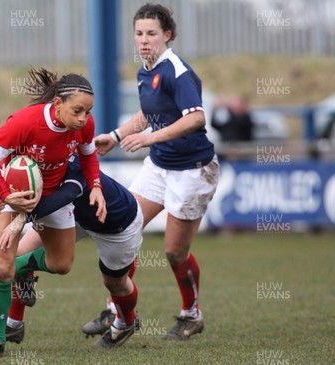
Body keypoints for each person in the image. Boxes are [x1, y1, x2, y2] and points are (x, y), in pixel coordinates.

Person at [95, 3, 219, 340]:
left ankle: (191, 315)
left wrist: (149, 139)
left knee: (174, 252)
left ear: (167, 35)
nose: (144, 40)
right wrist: (116, 136)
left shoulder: (177, 71)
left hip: (192, 170)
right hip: (160, 165)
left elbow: (196, 117)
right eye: (139, 34)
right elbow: (149, 113)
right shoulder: (145, 71)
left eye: (151, 33)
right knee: (127, 227)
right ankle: (117, 309)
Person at [0, 68, 107, 358]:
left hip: (52, 196)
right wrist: (5, 194)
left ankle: (22, 269)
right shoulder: (25, 122)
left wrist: (95, 186)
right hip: (11, 196)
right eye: (77, 111)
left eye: (88, 112)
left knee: (62, 264)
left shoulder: (84, 125)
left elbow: (88, 156)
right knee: (1, 268)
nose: (84, 119)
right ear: (58, 105)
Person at [0, 155, 143, 348]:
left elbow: (63, 196)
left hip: (116, 223)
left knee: (115, 283)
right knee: (17, 254)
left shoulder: (72, 162)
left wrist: (23, 218)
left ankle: (126, 323)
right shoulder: (37, 156)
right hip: (77, 216)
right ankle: (14, 323)